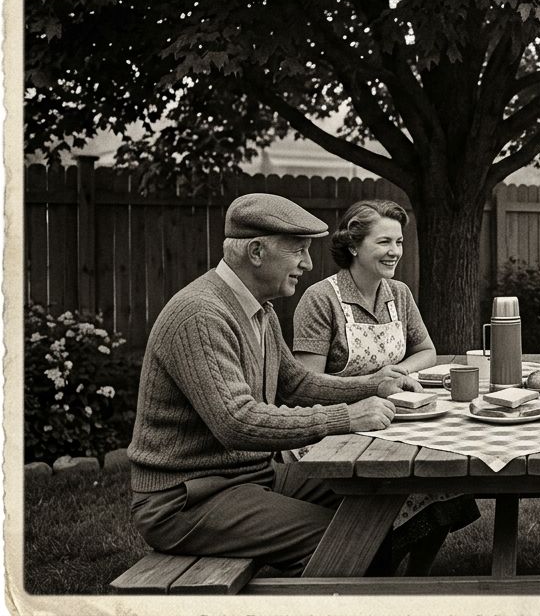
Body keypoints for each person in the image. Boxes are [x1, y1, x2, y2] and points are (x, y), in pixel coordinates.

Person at [127, 193, 421, 577]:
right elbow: (237, 422)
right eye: (298, 250)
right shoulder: (201, 314)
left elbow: (296, 384)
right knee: (347, 538)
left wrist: (374, 385)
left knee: (371, 490)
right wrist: (346, 417)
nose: (308, 263)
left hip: (250, 476)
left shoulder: (259, 309)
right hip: (188, 497)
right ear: (255, 251)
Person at [291, 199, 475, 575]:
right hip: (336, 427)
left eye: (400, 242)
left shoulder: (400, 294)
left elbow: (427, 351)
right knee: (406, 481)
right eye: (384, 242)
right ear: (354, 246)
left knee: (447, 477)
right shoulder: (320, 300)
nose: (395, 252)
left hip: (396, 419)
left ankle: (416, 580)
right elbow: (306, 385)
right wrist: (371, 386)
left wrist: (399, 372)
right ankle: (377, 571)